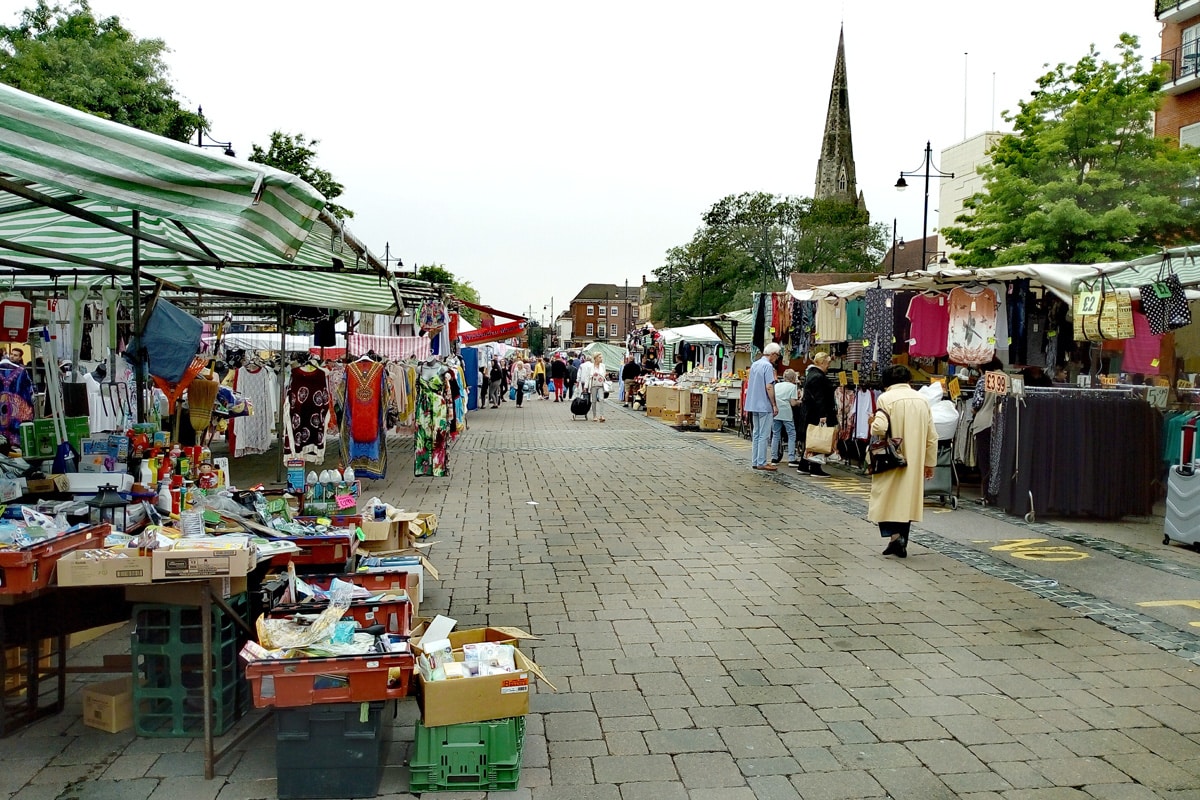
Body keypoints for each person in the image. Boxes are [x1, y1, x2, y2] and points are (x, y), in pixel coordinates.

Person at [867, 364, 938, 559]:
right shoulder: (923, 400)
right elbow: (932, 436)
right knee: (906, 500)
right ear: (909, 380)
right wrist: (930, 463)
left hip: (891, 457)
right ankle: (899, 540)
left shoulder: (886, 398)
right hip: (914, 459)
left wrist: (872, 423)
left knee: (887, 497)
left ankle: (896, 538)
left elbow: (879, 428)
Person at [797, 351, 837, 477]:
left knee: (812, 439)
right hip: (815, 413)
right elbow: (819, 397)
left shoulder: (812, 374)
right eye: (828, 363)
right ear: (823, 362)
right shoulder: (818, 377)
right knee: (818, 439)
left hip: (811, 412)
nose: (829, 366)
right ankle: (815, 467)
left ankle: (803, 465)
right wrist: (823, 414)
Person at [970, 357, 1003, 504]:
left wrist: (973, 410)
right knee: (999, 459)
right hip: (1002, 424)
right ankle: (999, 492)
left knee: (985, 460)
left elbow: (977, 403)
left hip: (984, 423)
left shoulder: (984, 379)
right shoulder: (1007, 378)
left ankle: (987, 495)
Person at [744, 343, 781, 471]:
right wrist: (774, 404)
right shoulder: (767, 366)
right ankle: (762, 461)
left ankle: (755, 460)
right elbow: (769, 386)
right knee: (764, 434)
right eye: (777, 356)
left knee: (756, 433)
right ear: (773, 354)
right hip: (764, 404)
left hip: (753, 403)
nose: (777, 359)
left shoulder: (755, 364)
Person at [770, 368, 801, 466]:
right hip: (787, 413)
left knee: (776, 434)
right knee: (791, 434)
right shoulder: (793, 387)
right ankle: (791, 458)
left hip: (776, 412)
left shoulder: (777, 385)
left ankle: (774, 458)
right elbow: (792, 403)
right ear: (793, 378)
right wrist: (800, 401)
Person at [578, 352, 607, 422]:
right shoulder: (590, 367)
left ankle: (602, 415)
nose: (601, 359)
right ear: (595, 358)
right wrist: (585, 386)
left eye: (601, 357)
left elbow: (604, 374)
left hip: (600, 385)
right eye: (600, 357)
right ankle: (594, 415)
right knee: (593, 401)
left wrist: (602, 375)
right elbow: (587, 376)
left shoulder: (603, 366)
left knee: (601, 399)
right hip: (593, 385)